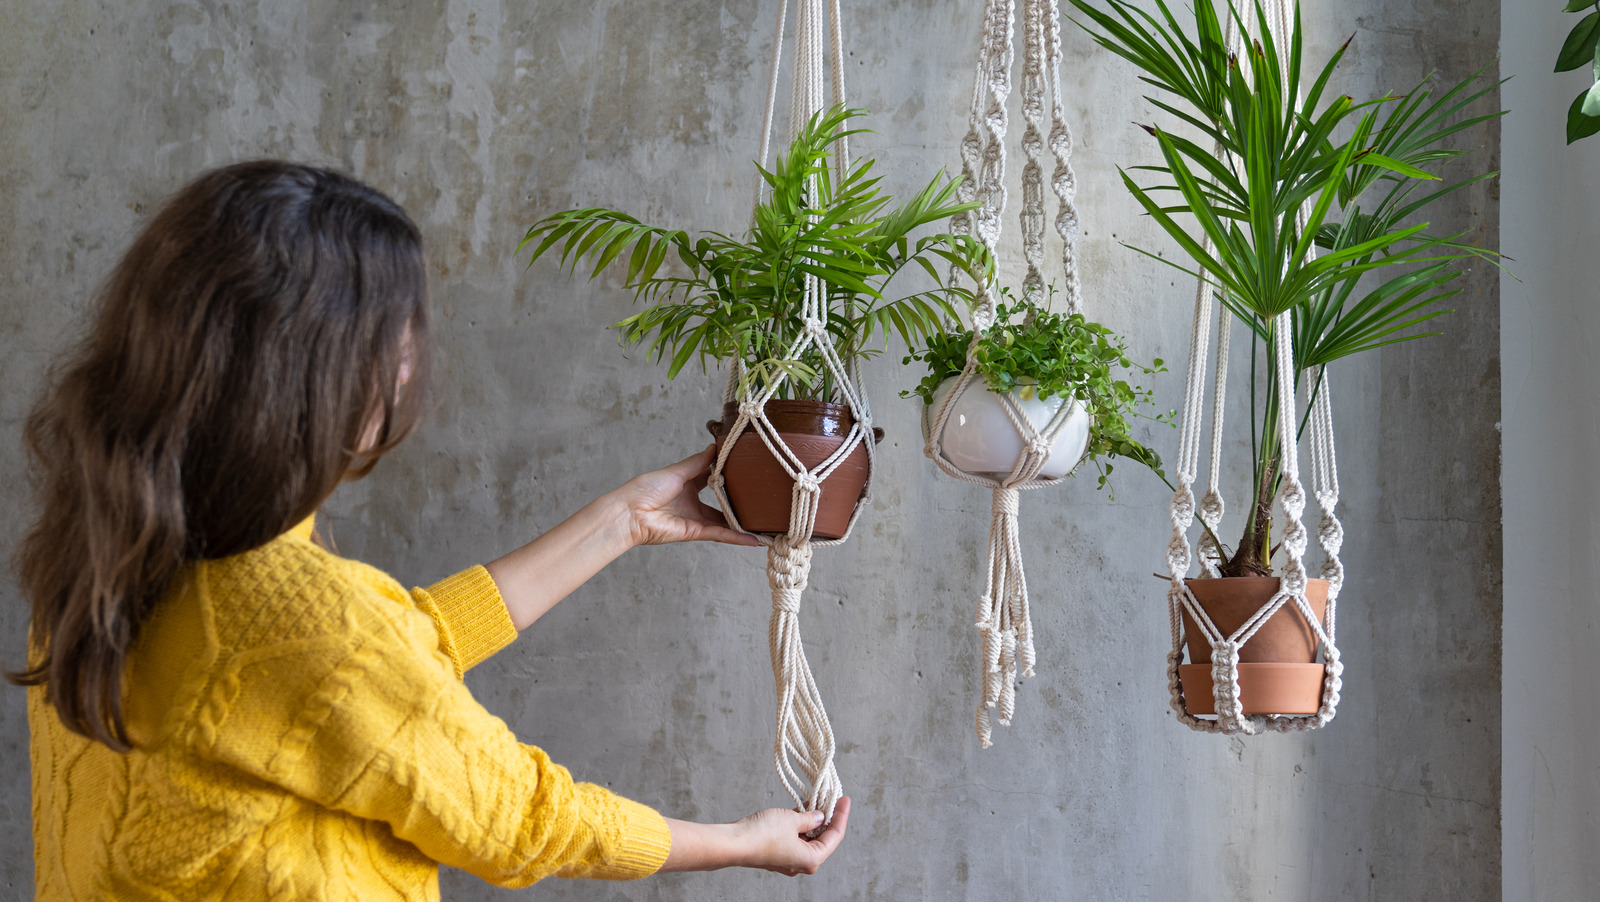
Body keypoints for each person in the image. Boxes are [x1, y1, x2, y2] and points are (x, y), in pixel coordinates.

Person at [10, 160, 850, 900]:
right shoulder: (300, 617)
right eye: (397, 338)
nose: (413, 362)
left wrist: (623, 521)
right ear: (319, 372)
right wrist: (743, 842)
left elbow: (371, 663)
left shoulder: (107, 567)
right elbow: (518, 816)